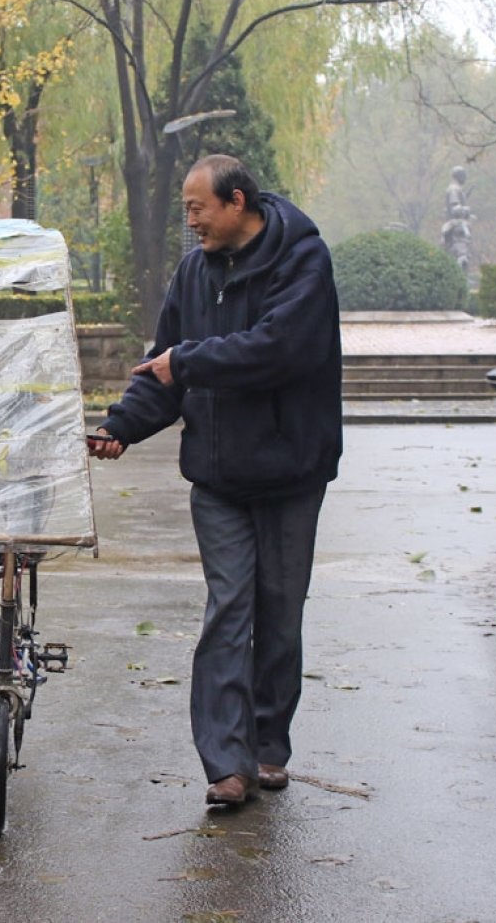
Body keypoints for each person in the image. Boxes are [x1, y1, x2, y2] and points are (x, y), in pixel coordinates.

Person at [88, 154, 341, 806]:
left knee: (279, 613)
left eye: (199, 206)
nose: (191, 219)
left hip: (290, 473)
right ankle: (227, 765)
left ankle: (266, 744)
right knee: (229, 609)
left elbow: (279, 348)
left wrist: (188, 361)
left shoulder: (302, 262)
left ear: (237, 202)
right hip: (219, 477)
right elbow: (163, 366)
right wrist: (121, 424)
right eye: (186, 208)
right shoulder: (194, 273)